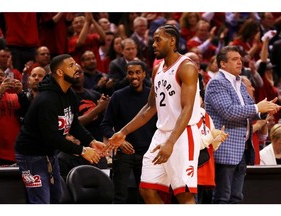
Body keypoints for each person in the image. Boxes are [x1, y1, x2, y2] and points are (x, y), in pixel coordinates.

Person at [106, 24, 201, 204]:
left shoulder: (187, 67)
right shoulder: (158, 69)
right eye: (153, 40)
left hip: (182, 135)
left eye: (158, 40)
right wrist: (123, 132)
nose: (154, 44)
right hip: (161, 134)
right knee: (146, 190)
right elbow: (150, 107)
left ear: (172, 41)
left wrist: (171, 142)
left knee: (183, 194)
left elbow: (187, 108)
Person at [14, 54, 106, 204]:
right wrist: (82, 150)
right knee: (41, 202)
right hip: (30, 156)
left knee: (57, 200)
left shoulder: (68, 93)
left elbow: (73, 123)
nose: (77, 68)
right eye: (71, 65)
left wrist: (91, 141)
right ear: (60, 72)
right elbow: (52, 137)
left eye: (76, 64)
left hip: (49, 154)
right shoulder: (46, 100)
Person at [204, 45, 281, 204]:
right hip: (225, 148)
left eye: (240, 59)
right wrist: (257, 107)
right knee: (222, 198)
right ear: (223, 64)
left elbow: (250, 109)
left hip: (242, 149)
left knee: (237, 198)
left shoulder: (239, 82)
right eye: (234, 59)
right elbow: (229, 112)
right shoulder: (217, 83)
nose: (240, 62)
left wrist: (265, 110)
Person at [100, 60, 157, 204]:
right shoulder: (118, 96)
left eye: (138, 72)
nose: (134, 76)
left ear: (144, 74)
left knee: (146, 196)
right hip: (124, 153)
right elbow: (105, 125)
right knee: (120, 196)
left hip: (147, 154)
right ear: (126, 75)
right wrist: (120, 140)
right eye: (130, 73)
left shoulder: (153, 98)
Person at [57, 64, 109, 180]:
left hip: (96, 149)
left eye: (79, 72)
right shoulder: (66, 97)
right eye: (74, 73)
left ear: (83, 75)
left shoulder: (94, 94)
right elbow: (74, 123)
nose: (77, 76)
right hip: (73, 152)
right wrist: (98, 109)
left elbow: (104, 122)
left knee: (101, 187)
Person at [0, 63, 29, 166]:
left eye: (2, 74)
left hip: (17, 154)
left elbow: (28, 114)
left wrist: (21, 93)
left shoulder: (14, 97)